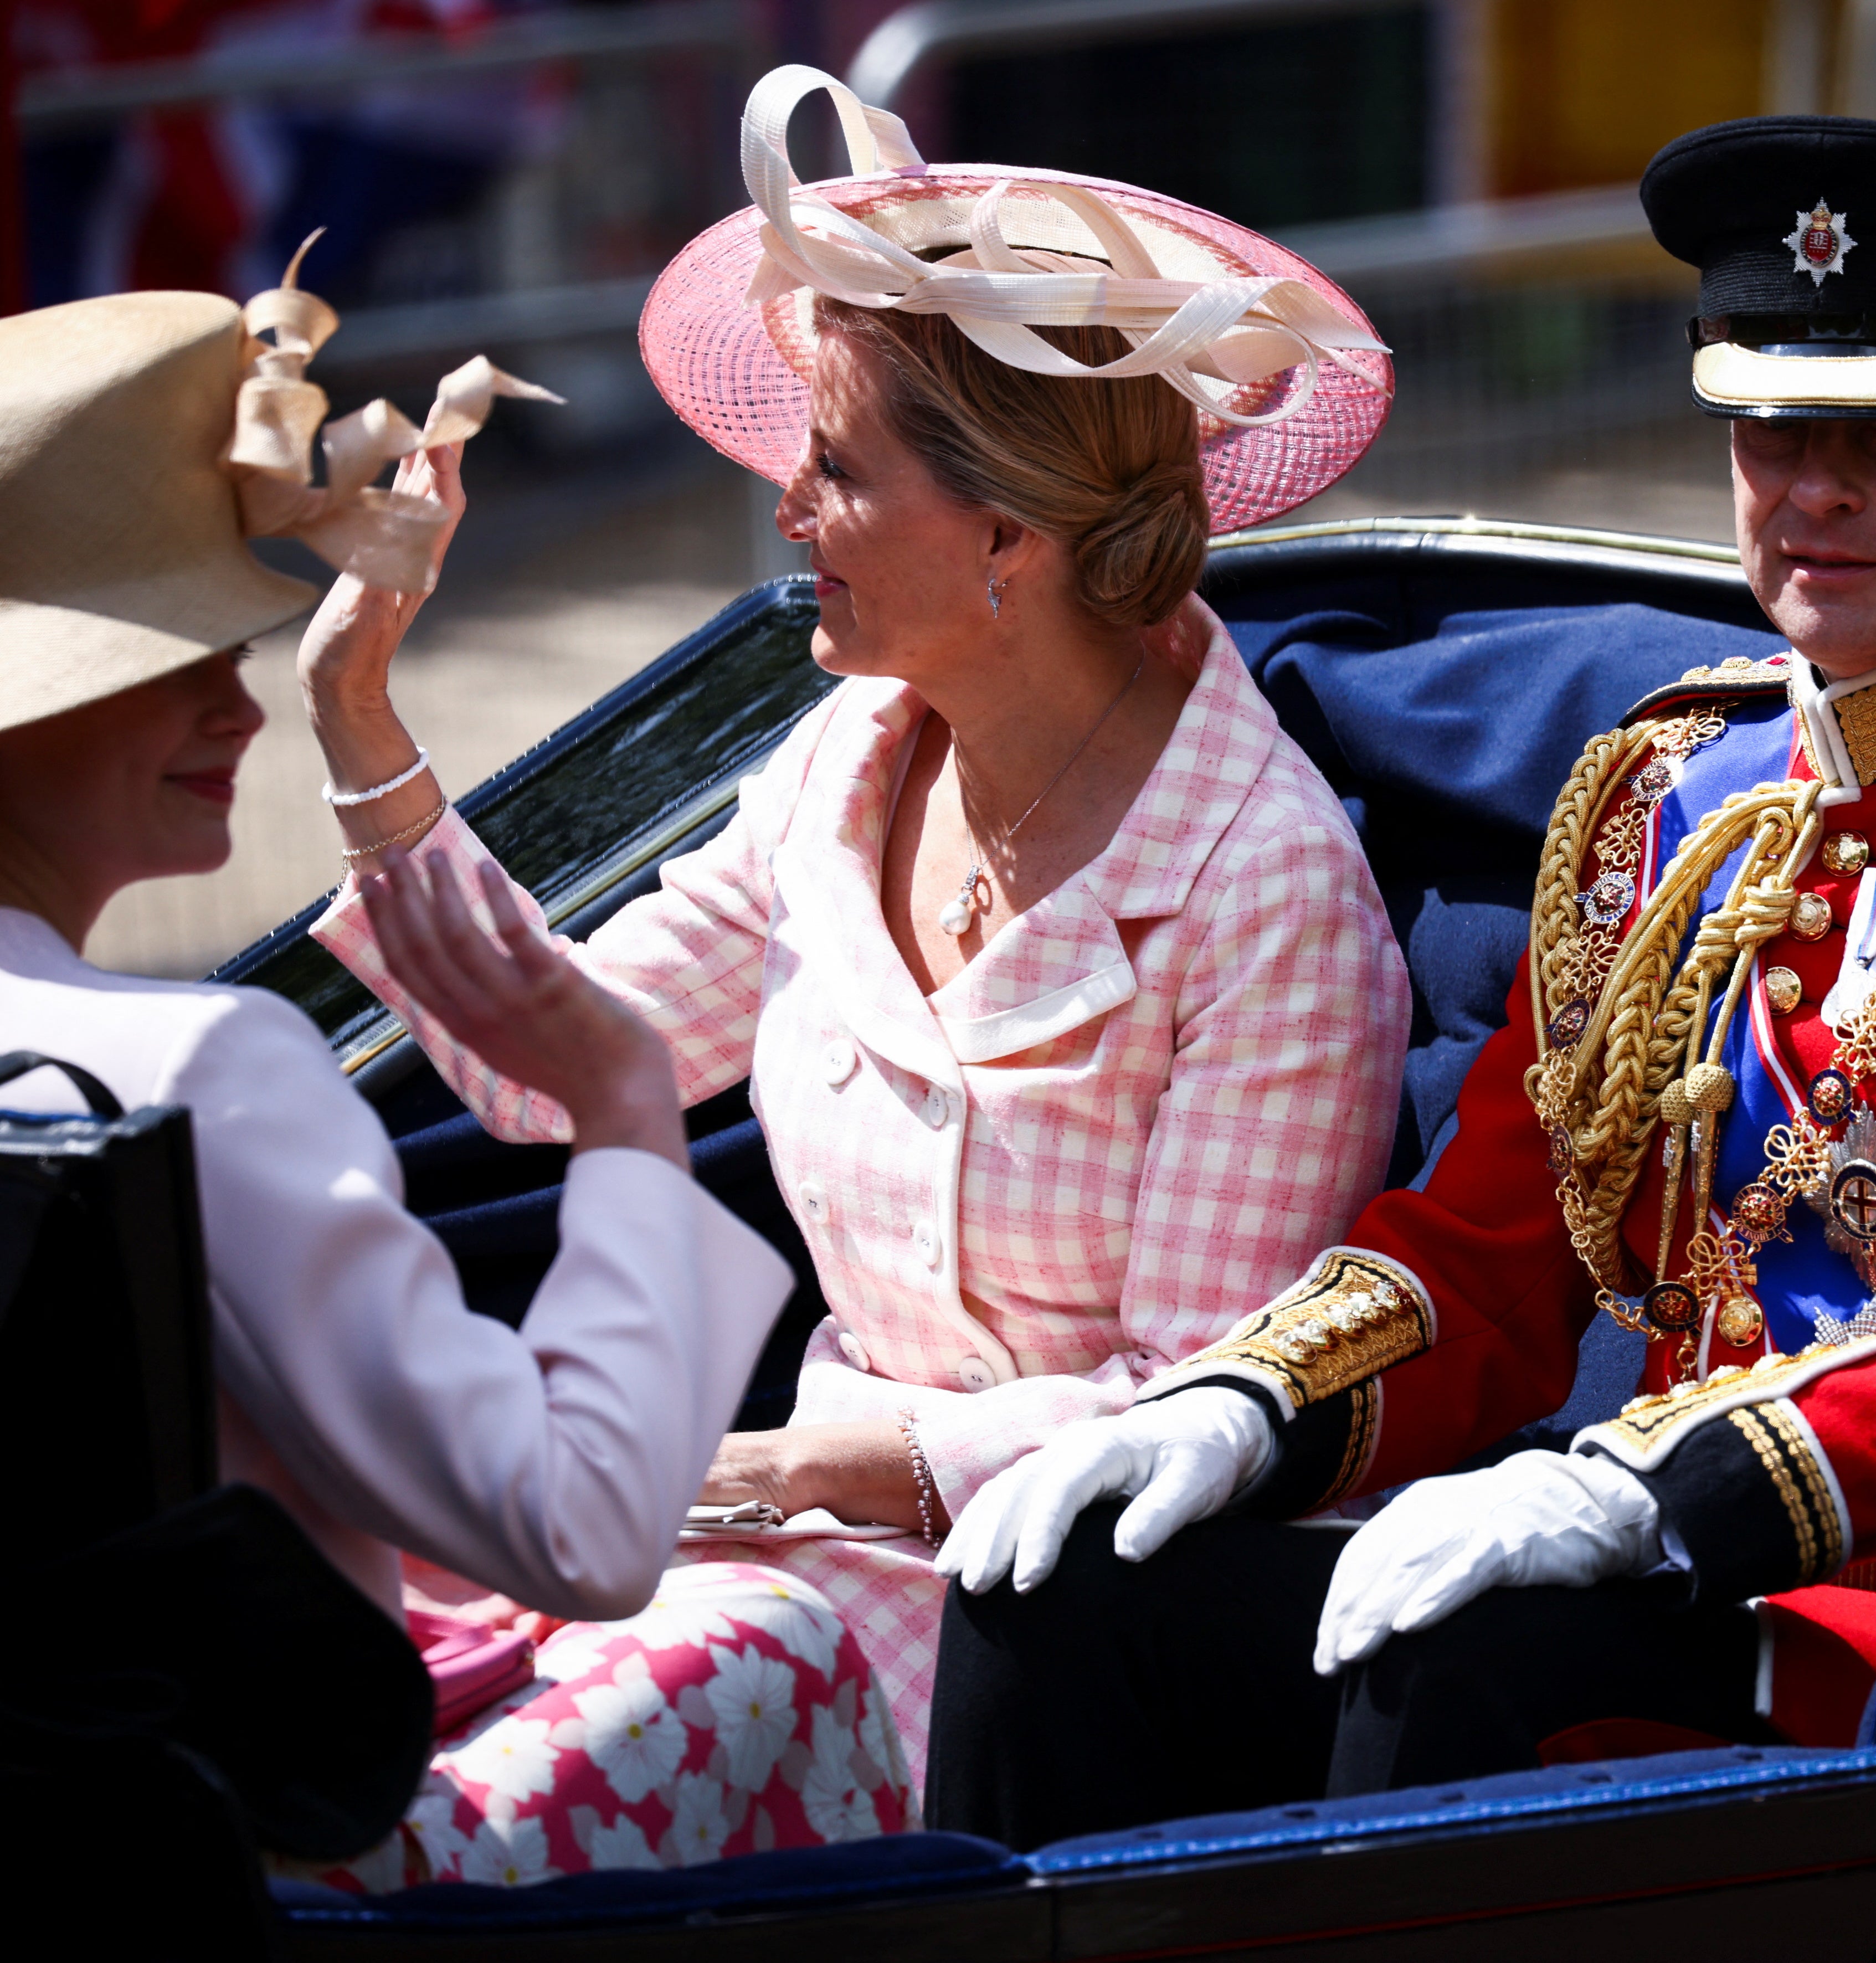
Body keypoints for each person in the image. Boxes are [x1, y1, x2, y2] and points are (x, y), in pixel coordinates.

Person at [925, 115, 1876, 1845]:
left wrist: (1629, 1488)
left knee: (1458, 1652)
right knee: (1058, 1590)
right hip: (1606, 1567)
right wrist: (1242, 1405)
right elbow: (1494, 1243)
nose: (1813, 488)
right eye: (1768, 426)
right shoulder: (1659, 794)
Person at [302, 65, 1411, 1790]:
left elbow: (1203, 1413)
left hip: (1035, 1629)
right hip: (765, 1537)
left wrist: (793, 1466)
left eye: (832, 468)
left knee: (498, 1786)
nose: (784, 510)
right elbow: (558, 1066)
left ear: (1009, 536)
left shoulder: (1262, 889)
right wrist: (363, 723)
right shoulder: (847, 760)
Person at [0, 280, 868, 1891]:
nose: (228, 701)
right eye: (151, 654)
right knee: (783, 1637)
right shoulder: (200, 1069)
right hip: (245, 1877)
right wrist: (624, 1101)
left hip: (75, 1835)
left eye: (231, 644)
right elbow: (584, 1526)